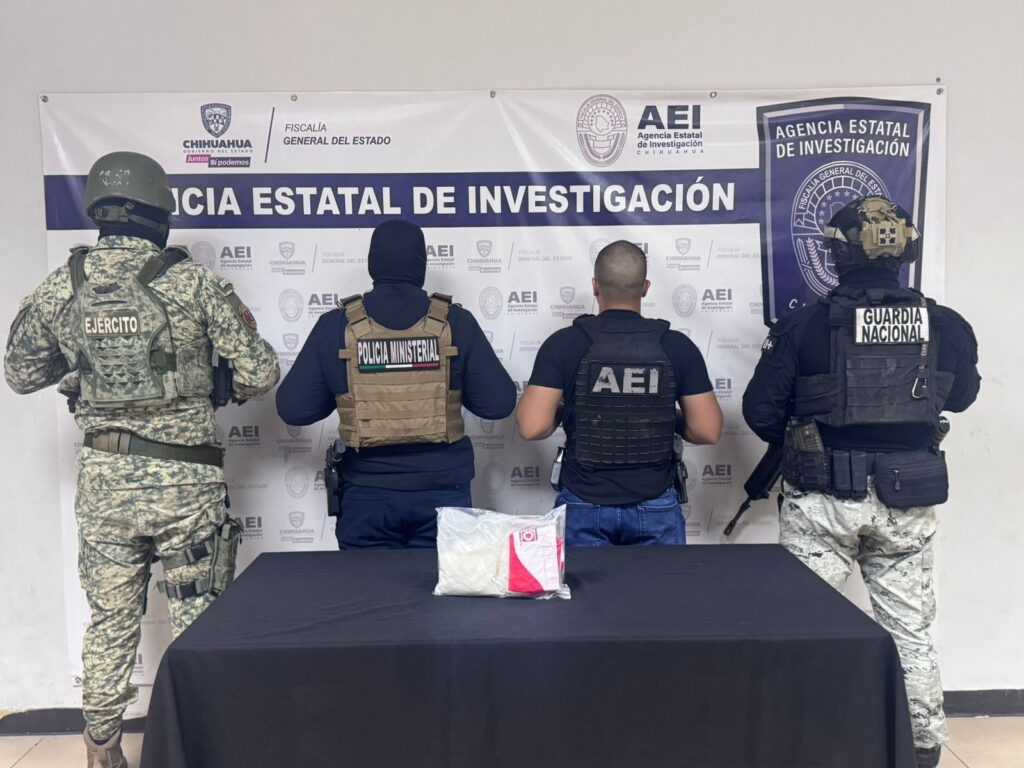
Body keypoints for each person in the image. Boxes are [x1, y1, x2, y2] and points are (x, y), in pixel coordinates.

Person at [4, 151, 280, 767]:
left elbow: (19, 373)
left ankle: (102, 750)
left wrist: (81, 369)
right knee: (200, 624)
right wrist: (218, 384)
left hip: (104, 484)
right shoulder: (193, 283)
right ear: (159, 210)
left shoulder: (63, 285)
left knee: (110, 621)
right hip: (186, 482)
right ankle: (204, 749)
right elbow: (261, 373)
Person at [742, 196, 980, 768]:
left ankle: (799, 746)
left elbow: (760, 412)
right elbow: (963, 397)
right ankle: (921, 749)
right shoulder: (946, 325)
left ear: (839, 254)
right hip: (906, 501)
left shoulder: (803, 326)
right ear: (905, 251)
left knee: (802, 631)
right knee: (910, 632)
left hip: (823, 501)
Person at [276, 219, 516, 549]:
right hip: (444, 494)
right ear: (421, 263)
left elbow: (294, 409)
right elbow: (498, 404)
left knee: (370, 586)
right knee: (443, 585)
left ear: (372, 263)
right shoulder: (456, 323)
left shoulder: (337, 326)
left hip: (367, 497)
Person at [516, 240, 722, 546]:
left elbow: (532, 426)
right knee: (663, 582)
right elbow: (707, 430)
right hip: (656, 504)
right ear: (645, 288)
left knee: (586, 583)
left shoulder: (563, 344)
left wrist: (573, 410)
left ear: (595, 286)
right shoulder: (676, 346)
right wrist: (660, 415)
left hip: (583, 503)